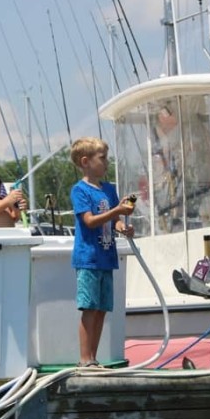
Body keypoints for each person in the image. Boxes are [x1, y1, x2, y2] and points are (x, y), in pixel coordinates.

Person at [70, 137, 135, 368]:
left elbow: (114, 220)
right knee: (89, 307)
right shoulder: (80, 191)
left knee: (101, 309)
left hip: (107, 257)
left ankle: (93, 358)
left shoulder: (109, 189)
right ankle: (84, 359)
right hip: (88, 258)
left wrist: (123, 227)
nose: (107, 162)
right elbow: (89, 221)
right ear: (86, 161)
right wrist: (116, 210)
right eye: (102, 158)